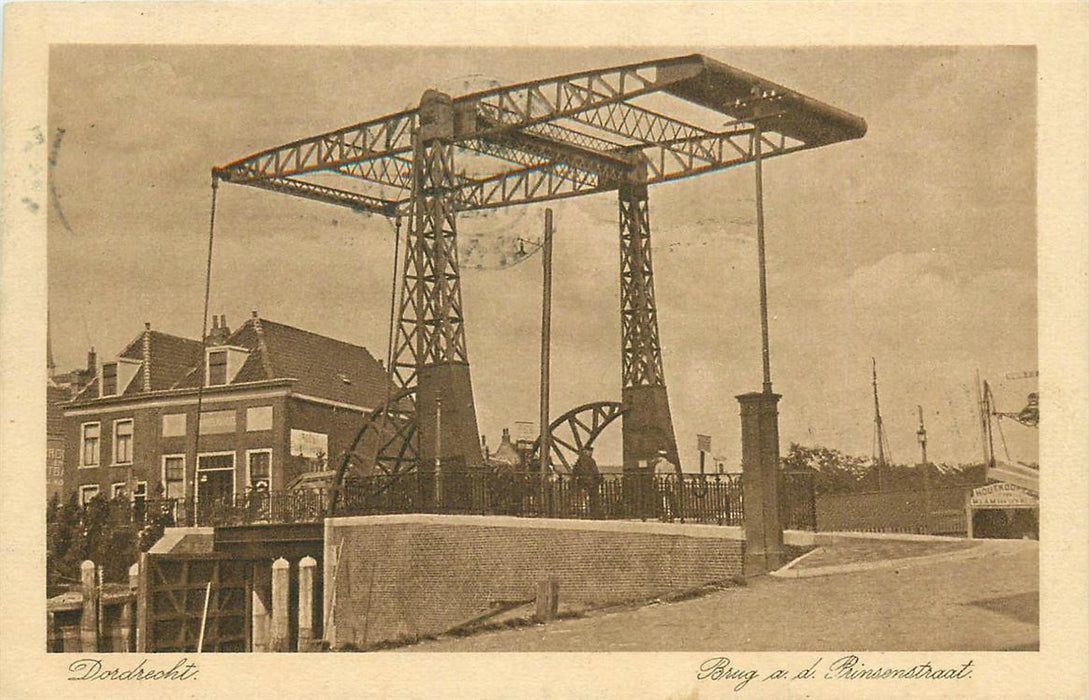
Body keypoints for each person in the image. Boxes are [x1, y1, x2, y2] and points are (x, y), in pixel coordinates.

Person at [573, 447, 601, 517]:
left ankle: (583, 511)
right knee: (592, 498)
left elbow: (575, 471)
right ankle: (593, 512)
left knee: (583, 497)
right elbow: (595, 471)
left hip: (582, 481)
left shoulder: (580, 461)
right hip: (590, 482)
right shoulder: (591, 460)